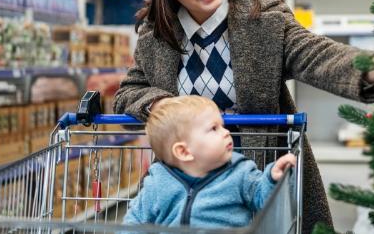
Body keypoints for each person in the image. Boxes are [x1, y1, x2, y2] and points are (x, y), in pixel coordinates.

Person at [114, 0, 374, 233]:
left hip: (257, 174)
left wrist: (372, 65)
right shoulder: (157, 38)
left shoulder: (262, 17)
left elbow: (314, 53)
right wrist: (166, 108)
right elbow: (128, 93)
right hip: (186, 180)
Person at [123, 95, 296, 228]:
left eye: (222, 125)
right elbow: (135, 221)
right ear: (183, 151)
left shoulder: (240, 172)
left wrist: (272, 178)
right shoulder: (158, 183)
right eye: (214, 128)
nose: (226, 132)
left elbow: (261, 197)